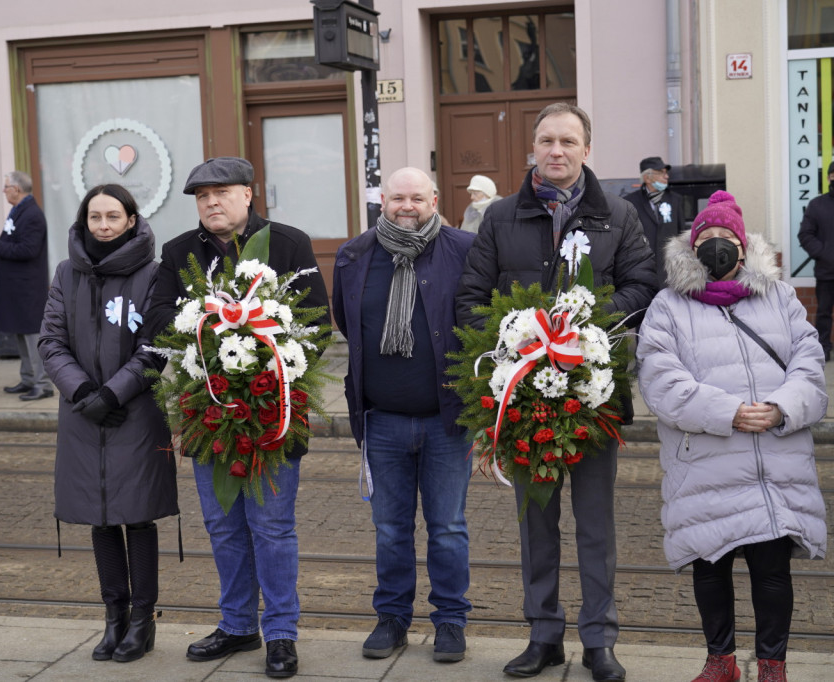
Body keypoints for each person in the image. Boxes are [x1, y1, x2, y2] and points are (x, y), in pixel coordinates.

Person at [455, 102, 656, 682]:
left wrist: (585, 327)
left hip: (592, 399)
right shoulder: (498, 217)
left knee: (596, 526)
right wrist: (521, 337)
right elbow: (470, 298)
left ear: (587, 150)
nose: (556, 151)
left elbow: (643, 287)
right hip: (523, 400)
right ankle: (544, 635)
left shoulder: (617, 215)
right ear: (533, 149)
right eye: (546, 141)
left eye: (568, 141)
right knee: (535, 525)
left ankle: (599, 640)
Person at [147, 157, 330, 679]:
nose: (210, 202)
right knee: (223, 524)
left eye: (221, 192)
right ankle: (236, 624)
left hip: (274, 409)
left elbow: (317, 322)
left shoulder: (287, 243)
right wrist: (209, 324)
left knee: (271, 526)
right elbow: (159, 317)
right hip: (207, 407)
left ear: (248, 194)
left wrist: (267, 373)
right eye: (201, 196)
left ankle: (280, 633)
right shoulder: (179, 251)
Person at [637, 190, 828, 682]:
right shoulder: (668, 306)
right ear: (691, 245)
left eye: (727, 238)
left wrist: (783, 407)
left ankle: (772, 665)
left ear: (745, 248)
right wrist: (729, 412)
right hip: (706, 460)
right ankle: (720, 661)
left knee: (771, 571)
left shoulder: (781, 297)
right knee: (711, 565)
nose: (718, 245)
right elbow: (660, 380)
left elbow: (810, 366)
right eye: (708, 237)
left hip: (774, 459)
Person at [332, 167, 476, 663]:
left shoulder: (464, 249)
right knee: (390, 529)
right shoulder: (354, 255)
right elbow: (348, 324)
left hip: (446, 419)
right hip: (382, 419)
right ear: (382, 201)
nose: (406, 206)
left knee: (449, 527)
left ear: (435, 200)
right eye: (397, 197)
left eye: (417, 197)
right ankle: (392, 618)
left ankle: (451, 621)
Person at [38, 184, 179, 663]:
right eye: (95, 216)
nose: (103, 225)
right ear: (84, 221)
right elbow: (51, 341)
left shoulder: (154, 275)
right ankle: (113, 616)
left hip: (135, 413)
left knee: (136, 515)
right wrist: (83, 392)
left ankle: (143, 619)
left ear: (132, 221)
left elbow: (156, 346)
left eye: (113, 216)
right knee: (98, 517)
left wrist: (114, 393)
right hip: (82, 413)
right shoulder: (65, 273)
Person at [0, 170, 54, 401]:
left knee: (33, 338)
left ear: (16, 189)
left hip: (28, 289)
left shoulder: (32, 214)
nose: (4, 190)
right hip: (16, 288)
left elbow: (28, 250)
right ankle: (28, 379)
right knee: (20, 335)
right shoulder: (19, 210)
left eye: (6, 186)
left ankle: (42, 384)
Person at [623, 156, 686, 288]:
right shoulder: (630, 202)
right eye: (661, 173)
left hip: (670, 271)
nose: (666, 176)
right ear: (647, 178)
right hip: (642, 270)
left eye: (666, 172)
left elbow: (682, 234)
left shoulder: (675, 200)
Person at [797, 160, 834, 362]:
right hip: (826, 271)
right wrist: (825, 253)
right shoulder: (817, 205)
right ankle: (824, 348)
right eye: (833, 174)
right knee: (823, 313)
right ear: (829, 177)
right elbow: (805, 235)